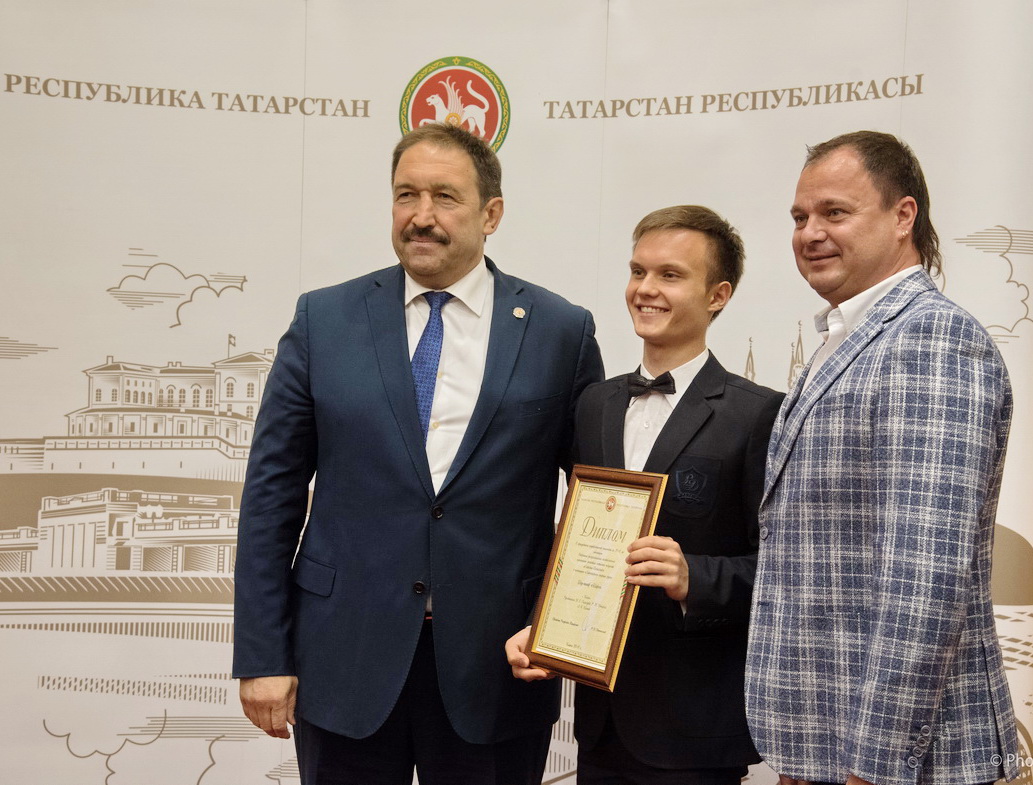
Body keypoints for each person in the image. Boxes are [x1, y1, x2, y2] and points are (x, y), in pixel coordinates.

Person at [232, 123, 604, 785]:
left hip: (497, 667)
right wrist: (263, 653)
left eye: (444, 197)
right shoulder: (324, 320)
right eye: (406, 194)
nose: (421, 216)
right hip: (344, 660)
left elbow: (593, 505)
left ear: (491, 214)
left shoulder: (560, 331)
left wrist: (557, 628)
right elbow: (271, 494)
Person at [745, 131, 1019, 785]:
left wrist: (874, 764)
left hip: (899, 761)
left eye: (834, 212)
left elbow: (925, 574)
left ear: (902, 216)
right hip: (829, 744)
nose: (810, 233)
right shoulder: (850, 338)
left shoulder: (929, 338)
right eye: (799, 217)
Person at [507, 205, 782, 784]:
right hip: (598, 720)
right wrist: (543, 627)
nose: (645, 289)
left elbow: (788, 572)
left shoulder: (758, 413)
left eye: (670, 275)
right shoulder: (594, 404)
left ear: (718, 295)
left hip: (694, 730)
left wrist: (694, 576)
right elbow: (577, 540)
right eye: (638, 271)